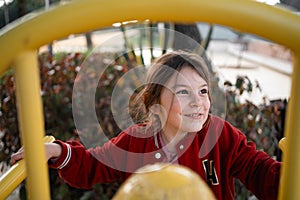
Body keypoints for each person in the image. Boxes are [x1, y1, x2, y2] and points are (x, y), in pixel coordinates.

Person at [11, 50, 281, 199]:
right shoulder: (137, 141)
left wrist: (290, 176)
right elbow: (93, 165)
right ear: (155, 105)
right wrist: (57, 151)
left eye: (202, 91)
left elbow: (260, 170)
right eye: (183, 93)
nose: (198, 103)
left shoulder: (219, 135)